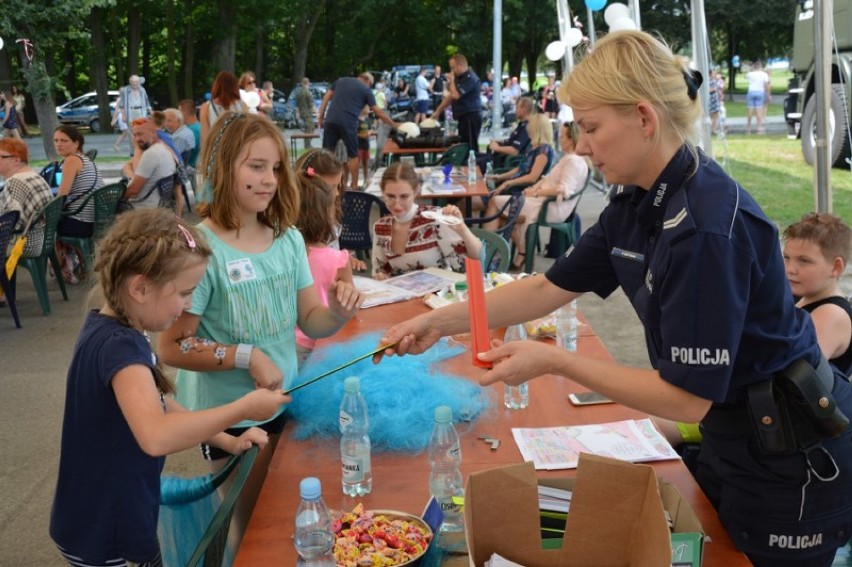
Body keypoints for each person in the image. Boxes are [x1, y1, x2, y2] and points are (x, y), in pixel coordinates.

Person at [376, 31, 852, 567]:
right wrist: (439, 322)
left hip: (790, 464)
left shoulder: (704, 229)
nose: (580, 146)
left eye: (591, 127)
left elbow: (684, 398)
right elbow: (547, 287)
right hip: (733, 439)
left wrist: (554, 360)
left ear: (644, 119)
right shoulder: (635, 201)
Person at [157, 112, 363, 548]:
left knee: (285, 519)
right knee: (252, 533)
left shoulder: (287, 238)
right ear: (224, 166)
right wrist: (246, 356)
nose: (268, 179)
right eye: (255, 166)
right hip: (228, 418)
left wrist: (339, 314)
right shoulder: (201, 248)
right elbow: (172, 347)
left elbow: (311, 320)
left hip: (284, 404)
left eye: (274, 168)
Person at [49, 208, 288, 567]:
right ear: (140, 287)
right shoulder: (122, 349)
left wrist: (225, 439)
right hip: (107, 529)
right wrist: (243, 408)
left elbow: (157, 403)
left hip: (100, 515)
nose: (189, 305)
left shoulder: (112, 326)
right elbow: (156, 435)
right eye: (184, 293)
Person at [493, 121, 589, 266]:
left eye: (562, 137)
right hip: (545, 203)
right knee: (503, 214)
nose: (559, 139)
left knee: (495, 203)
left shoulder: (572, 161)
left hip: (550, 208)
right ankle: (517, 252)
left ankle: (494, 252)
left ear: (571, 140)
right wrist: (533, 189)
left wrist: (536, 192)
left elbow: (563, 190)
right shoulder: (569, 159)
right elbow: (547, 179)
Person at [371, 162, 481, 279]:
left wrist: (462, 228)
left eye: (404, 196)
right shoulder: (380, 227)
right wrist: (380, 276)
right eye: (391, 196)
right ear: (382, 193)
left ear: (415, 192)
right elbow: (379, 270)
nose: (397, 204)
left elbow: (476, 256)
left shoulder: (433, 218)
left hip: (440, 293)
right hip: (404, 295)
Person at [294, 167, 354, 363]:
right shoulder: (339, 260)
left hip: (286, 344)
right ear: (327, 214)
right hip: (320, 341)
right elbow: (350, 307)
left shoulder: (285, 255)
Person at [784, 212, 852, 377]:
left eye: (804, 261)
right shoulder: (801, 295)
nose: (790, 269)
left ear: (835, 267)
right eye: (786, 258)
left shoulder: (831, 314)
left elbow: (796, 373)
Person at [318, 72, 397, 191]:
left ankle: (325, 184)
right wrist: (393, 124)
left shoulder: (341, 80)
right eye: (370, 84)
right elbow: (378, 112)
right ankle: (354, 186)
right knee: (353, 155)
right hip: (348, 123)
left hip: (331, 120)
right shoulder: (366, 90)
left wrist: (321, 117)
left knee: (327, 154)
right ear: (368, 81)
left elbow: (326, 97)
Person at [478, 112, 555, 218]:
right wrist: (500, 177)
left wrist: (508, 183)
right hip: (512, 187)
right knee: (475, 199)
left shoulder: (543, 151)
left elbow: (532, 178)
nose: (528, 127)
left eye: (530, 124)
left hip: (518, 192)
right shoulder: (534, 148)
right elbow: (520, 168)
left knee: (472, 201)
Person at [53, 126, 104, 283]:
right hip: (93, 221)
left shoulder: (71, 160)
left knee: (45, 228)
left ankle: (65, 267)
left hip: (81, 223)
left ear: (76, 143)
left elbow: (61, 196)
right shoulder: (86, 159)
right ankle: (77, 262)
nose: (58, 144)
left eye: (64, 141)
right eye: (55, 140)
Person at [0, 138, 52, 257]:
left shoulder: (15, 182)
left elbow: (9, 224)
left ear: (16, 160)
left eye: (1, 156)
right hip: (42, 239)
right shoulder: (33, 175)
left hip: (24, 243)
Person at [121, 118, 178, 210]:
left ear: (153, 132)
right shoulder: (163, 148)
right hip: (161, 204)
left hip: (143, 207)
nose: (137, 139)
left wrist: (119, 197)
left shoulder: (151, 154)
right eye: (134, 135)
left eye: (140, 134)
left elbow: (133, 190)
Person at [431, 54, 483, 152]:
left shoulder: (470, 78)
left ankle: (473, 165)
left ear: (460, 65)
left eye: (453, 67)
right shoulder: (460, 77)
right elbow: (450, 95)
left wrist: (452, 80)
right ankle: (465, 164)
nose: (451, 70)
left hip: (470, 116)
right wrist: (438, 111)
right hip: (463, 117)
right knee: (463, 145)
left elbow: (455, 95)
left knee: (470, 147)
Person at [477, 96, 533, 174]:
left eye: (517, 108)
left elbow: (514, 151)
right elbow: (512, 141)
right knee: (475, 156)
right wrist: (500, 141)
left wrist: (497, 148)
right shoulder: (521, 125)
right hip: (500, 157)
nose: (515, 110)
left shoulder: (527, 127)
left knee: (475, 162)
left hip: (506, 160)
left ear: (524, 110)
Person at [199, 71, 247, 145]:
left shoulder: (206, 107)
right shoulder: (242, 105)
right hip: (237, 147)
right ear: (234, 86)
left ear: (216, 86)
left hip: (216, 148)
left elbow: (205, 137)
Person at [746, 60, 770, 134]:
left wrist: (751, 68)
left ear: (754, 66)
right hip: (760, 92)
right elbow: (766, 85)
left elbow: (746, 76)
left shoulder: (750, 74)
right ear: (760, 66)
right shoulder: (764, 74)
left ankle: (748, 128)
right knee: (759, 111)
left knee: (750, 110)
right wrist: (768, 94)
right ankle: (759, 128)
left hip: (751, 91)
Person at [179, 99, 202, 168]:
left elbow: (183, 153)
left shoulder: (191, 131)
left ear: (185, 113)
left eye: (179, 112)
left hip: (193, 168)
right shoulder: (201, 127)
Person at [296, 77, 315, 142]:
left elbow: (297, 104)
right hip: (307, 113)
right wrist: (317, 113)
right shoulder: (308, 93)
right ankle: (307, 144)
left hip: (301, 113)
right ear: (308, 83)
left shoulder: (298, 93)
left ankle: (306, 143)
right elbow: (311, 105)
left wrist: (297, 113)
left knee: (307, 128)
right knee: (310, 127)